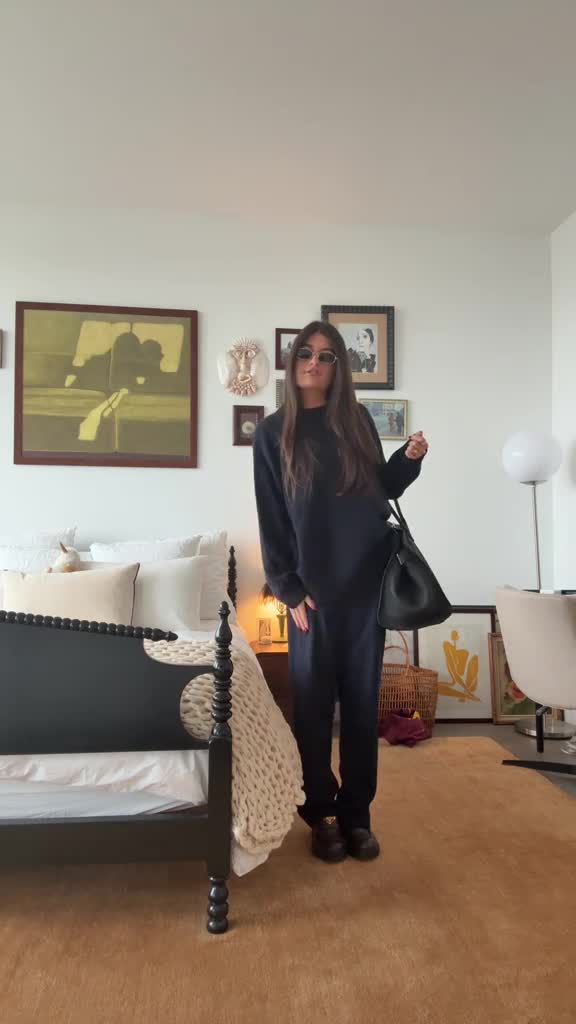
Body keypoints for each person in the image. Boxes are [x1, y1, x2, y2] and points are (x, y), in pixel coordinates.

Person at [253, 320, 428, 863]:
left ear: (338, 367)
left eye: (326, 355)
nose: (314, 362)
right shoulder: (272, 433)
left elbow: (381, 488)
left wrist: (408, 461)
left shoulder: (356, 422)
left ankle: (357, 815)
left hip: (366, 587)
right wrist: (287, 588)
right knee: (311, 711)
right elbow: (272, 517)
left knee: (359, 708)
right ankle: (321, 814)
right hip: (312, 595)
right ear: (293, 362)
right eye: (305, 352)